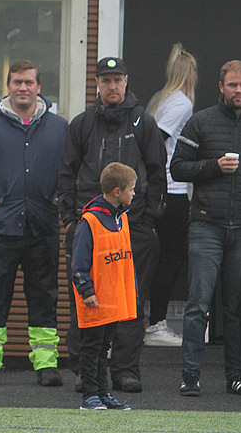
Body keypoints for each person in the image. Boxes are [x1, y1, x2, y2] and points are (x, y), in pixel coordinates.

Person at [170, 59, 241, 397]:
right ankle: (190, 376)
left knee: (236, 308)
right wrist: (213, 167)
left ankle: (238, 377)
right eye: (232, 85)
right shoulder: (201, 121)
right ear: (221, 87)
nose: (238, 91)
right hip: (206, 224)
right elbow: (177, 168)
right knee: (198, 304)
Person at [57, 56, 167, 393]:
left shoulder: (145, 124)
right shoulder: (82, 123)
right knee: (86, 297)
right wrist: (72, 221)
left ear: (126, 81)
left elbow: (158, 174)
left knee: (131, 300)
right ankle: (85, 370)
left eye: (117, 80)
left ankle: (125, 371)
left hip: (133, 228)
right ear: (97, 85)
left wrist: (148, 221)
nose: (112, 86)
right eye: (106, 80)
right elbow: (65, 174)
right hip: (89, 225)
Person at [0, 60, 67, 388]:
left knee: (44, 295)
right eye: (16, 82)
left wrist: (58, 197)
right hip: (0, 226)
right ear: (8, 86)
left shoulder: (59, 127)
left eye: (28, 81)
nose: (22, 87)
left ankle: (46, 363)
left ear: (39, 87)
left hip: (43, 226)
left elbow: (71, 171)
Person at [72, 162, 137, 411]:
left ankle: (102, 393)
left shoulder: (121, 218)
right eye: (131, 189)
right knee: (91, 347)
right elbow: (79, 262)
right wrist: (86, 290)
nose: (134, 194)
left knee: (103, 349)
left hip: (113, 299)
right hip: (95, 298)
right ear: (117, 191)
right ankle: (90, 395)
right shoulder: (90, 221)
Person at [144, 43, 197, 346]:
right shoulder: (182, 104)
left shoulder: (160, 99)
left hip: (160, 187)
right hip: (172, 189)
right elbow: (159, 139)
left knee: (154, 257)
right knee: (171, 259)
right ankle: (156, 324)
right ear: (189, 74)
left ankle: (144, 320)